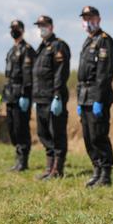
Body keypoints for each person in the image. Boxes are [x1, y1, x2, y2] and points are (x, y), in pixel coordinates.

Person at [76, 5, 113, 187]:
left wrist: (99, 99)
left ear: (98, 19)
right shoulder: (88, 41)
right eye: (85, 19)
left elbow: (104, 74)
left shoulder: (104, 41)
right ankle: (96, 170)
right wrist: (79, 99)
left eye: (91, 18)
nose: (88, 22)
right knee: (88, 137)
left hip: (97, 96)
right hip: (84, 96)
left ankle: (105, 174)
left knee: (98, 136)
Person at [31, 15, 71, 180]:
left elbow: (60, 74)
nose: (41, 28)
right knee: (43, 133)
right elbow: (36, 75)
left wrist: (57, 95)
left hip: (53, 98)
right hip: (40, 98)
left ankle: (57, 169)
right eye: (39, 25)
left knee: (57, 134)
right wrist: (34, 97)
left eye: (44, 25)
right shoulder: (41, 47)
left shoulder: (58, 46)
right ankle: (49, 167)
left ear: (51, 27)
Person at [3, 19, 35, 172]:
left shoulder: (26, 49)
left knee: (21, 127)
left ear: (22, 30)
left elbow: (28, 76)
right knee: (11, 128)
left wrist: (26, 95)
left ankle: (23, 160)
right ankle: (17, 157)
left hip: (21, 94)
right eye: (12, 28)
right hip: (10, 94)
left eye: (16, 28)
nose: (13, 31)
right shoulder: (11, 50)